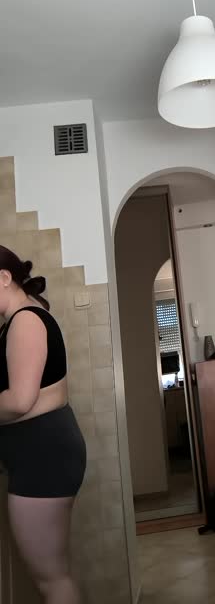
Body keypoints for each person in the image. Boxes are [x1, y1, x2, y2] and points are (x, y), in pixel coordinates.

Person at [0, 245, 86, 603]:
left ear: (4, 277)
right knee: (53, 576)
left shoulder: (25, 320)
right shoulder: (22, 318)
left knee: (51, 579)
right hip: (41, 454)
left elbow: (20, 400)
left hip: (42, 457)